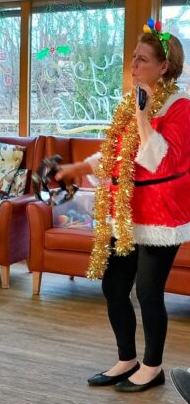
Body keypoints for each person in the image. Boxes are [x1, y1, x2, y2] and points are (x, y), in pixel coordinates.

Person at [55, 20, 190, 393]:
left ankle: (152, 366)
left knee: (148, 292)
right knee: (115, 288)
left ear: (164, 66)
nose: (133, 65)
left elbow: (158, 160)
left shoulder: (181, 107)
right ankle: (126, 359)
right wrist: (77, 167)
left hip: (162, 216)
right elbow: (117, 155)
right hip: (126, 213)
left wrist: (144, 115)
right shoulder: (130, 104)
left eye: (142, 59)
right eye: (133, 57)